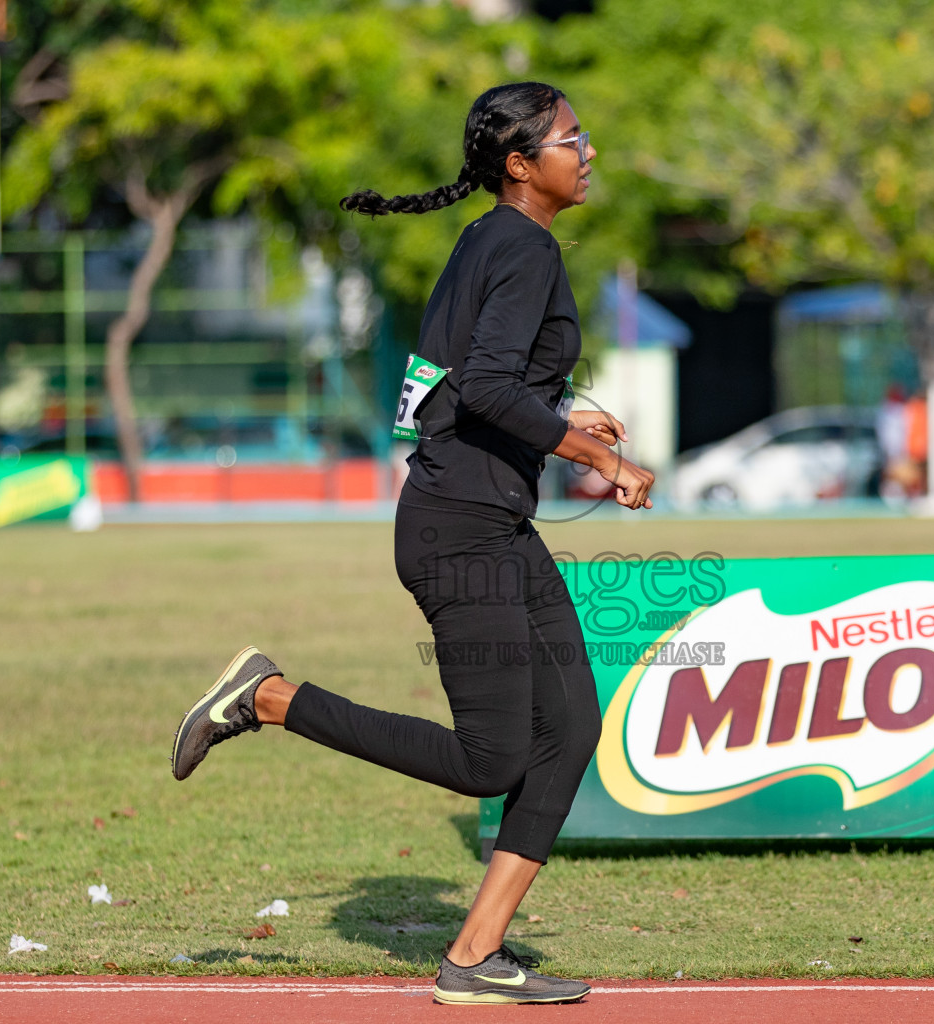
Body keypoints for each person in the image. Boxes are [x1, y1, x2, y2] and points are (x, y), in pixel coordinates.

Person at [169, 82, 655, 1006]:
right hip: (460, 528)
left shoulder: (489, 240)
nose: (588, 151)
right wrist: (592, 450)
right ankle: (269, 698)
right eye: (572, 139)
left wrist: (565, 415)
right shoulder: (524, 246)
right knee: (491, 761)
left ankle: (475, 957)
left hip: (490, 522)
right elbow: (480, 389)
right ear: (521, 165)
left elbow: (461, 387)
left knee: (570, 733)